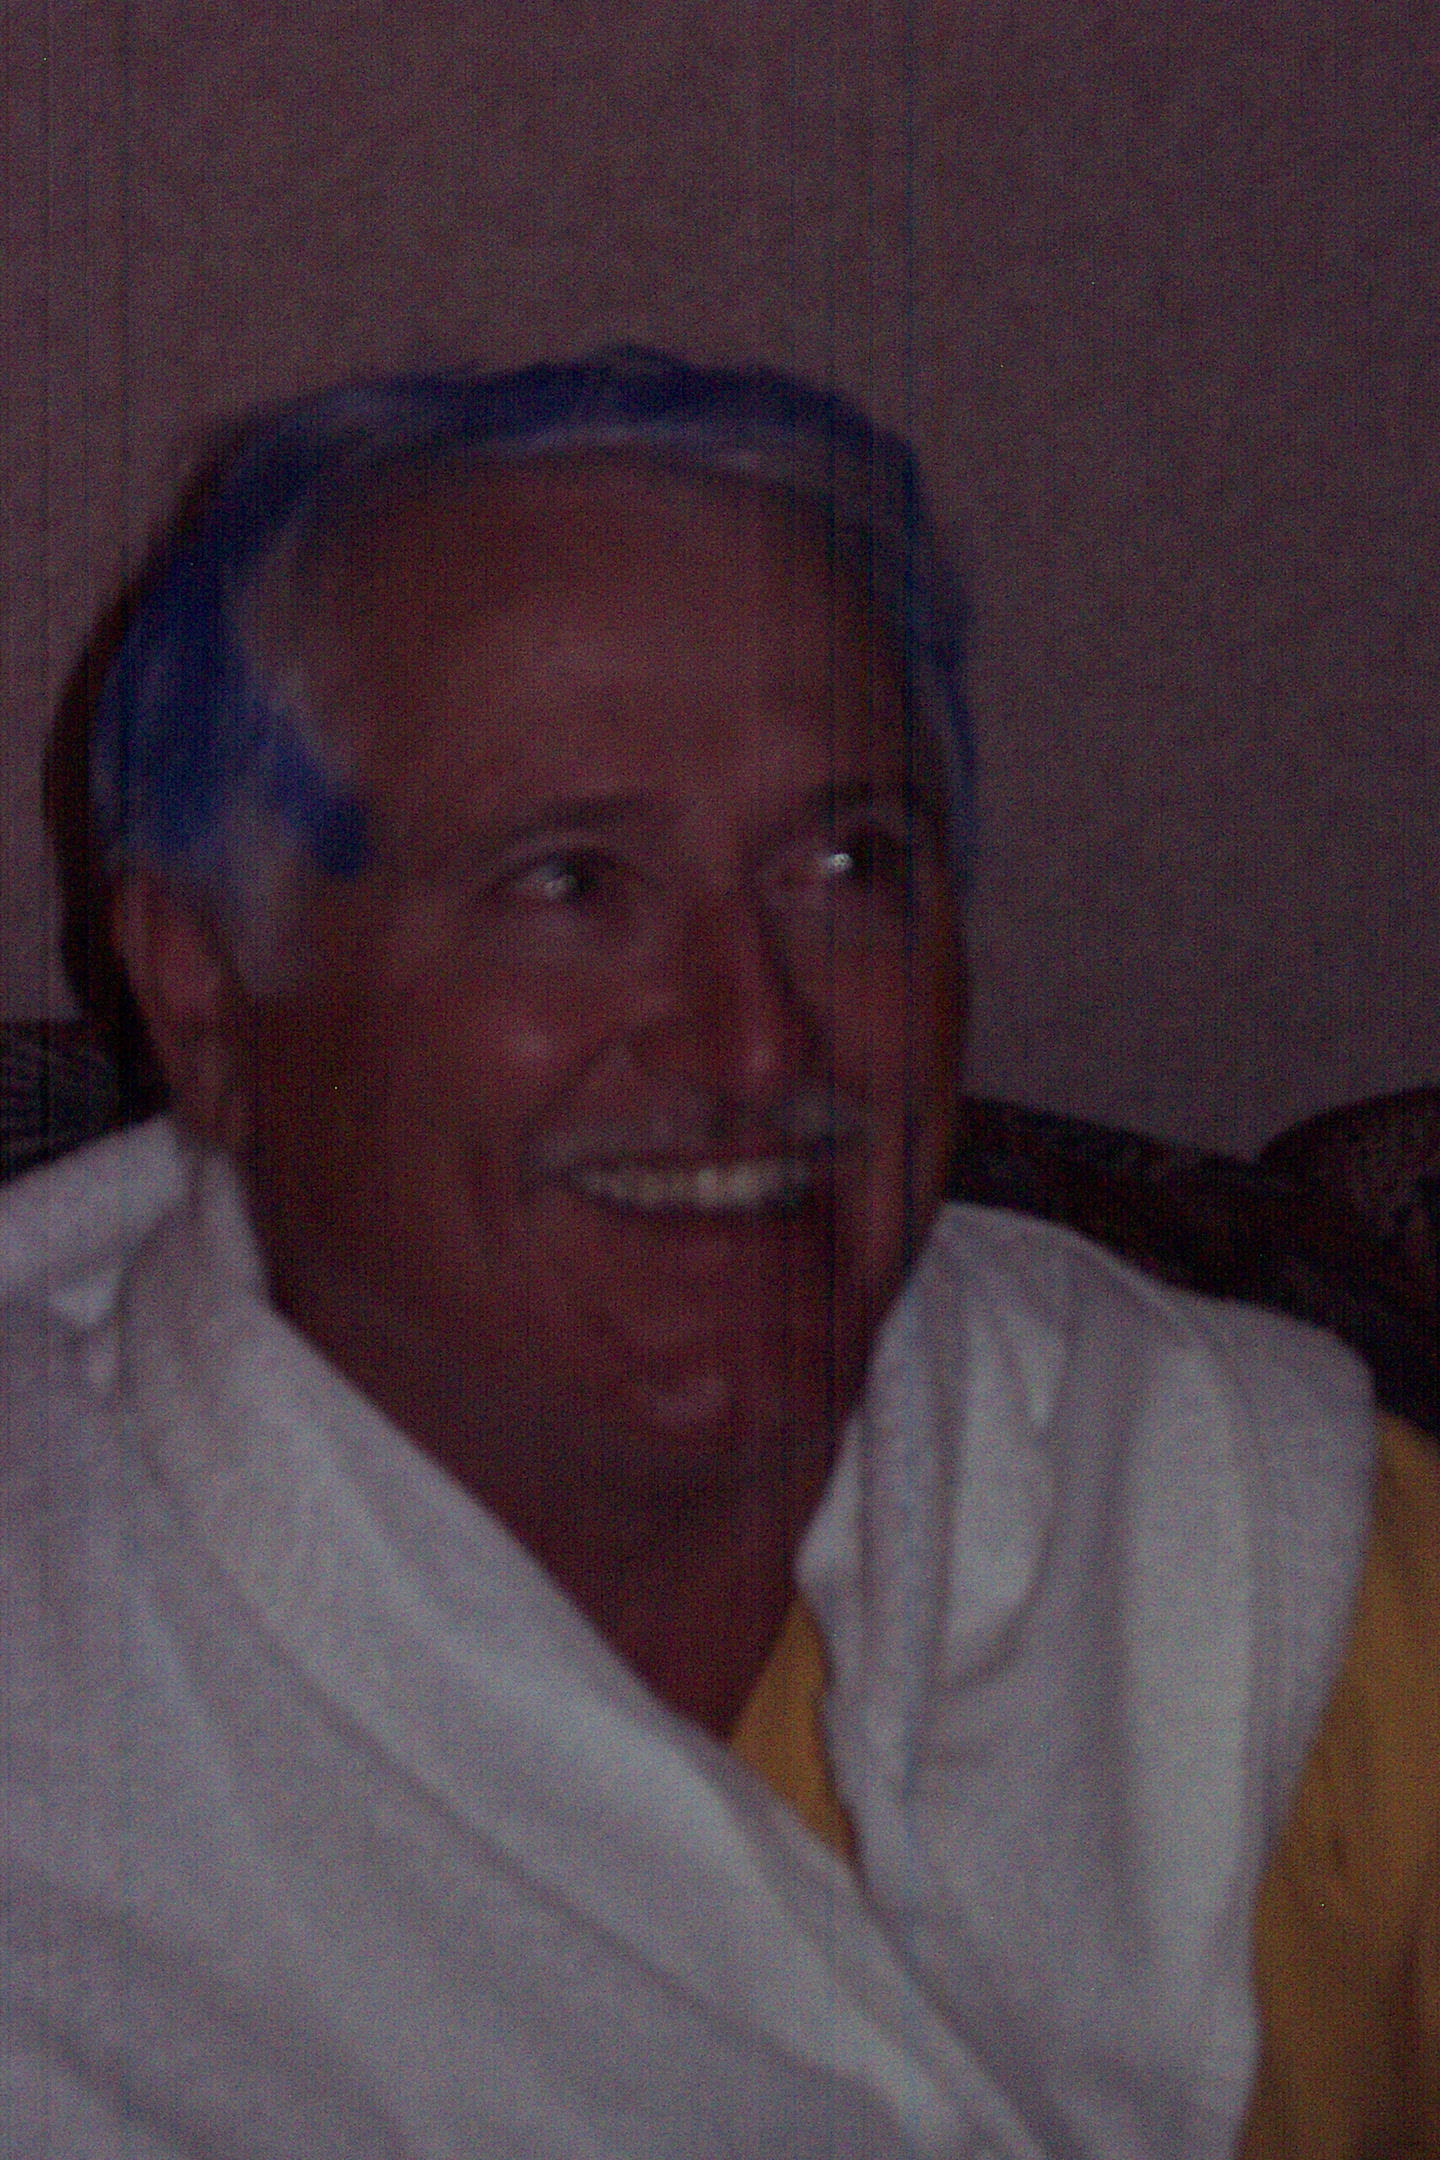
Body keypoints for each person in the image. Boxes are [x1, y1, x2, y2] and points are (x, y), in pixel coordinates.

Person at [1, 349, 1435, 2158]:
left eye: (849, 865)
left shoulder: (1258, 1557)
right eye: (569, 883)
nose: (756, 1040)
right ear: (209, 998)